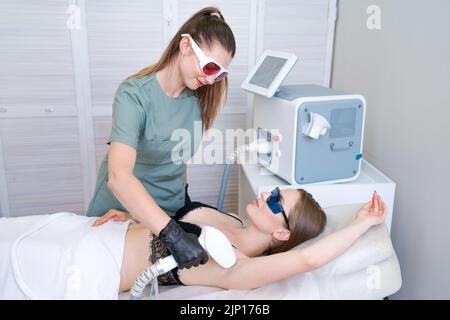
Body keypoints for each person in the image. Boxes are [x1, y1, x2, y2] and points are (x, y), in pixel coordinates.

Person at [86, 7, 236, 270]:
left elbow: (179, 157)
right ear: (186, 45)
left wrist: (185, 202)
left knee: (234, 240)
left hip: (173, 213)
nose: (212, 79)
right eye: (210, 67)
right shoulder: (134, 95)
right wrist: (172, 235)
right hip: (133, 216)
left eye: (219, 73)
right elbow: (119, 177)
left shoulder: (196, 101)